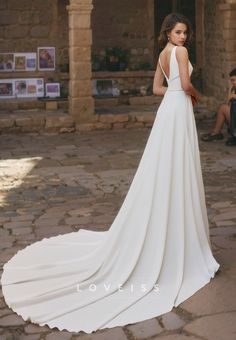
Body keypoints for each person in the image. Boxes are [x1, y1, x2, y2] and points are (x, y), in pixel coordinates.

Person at [0, 13, 220, 334]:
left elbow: (158, 89)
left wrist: (176, 93)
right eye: (178, 32)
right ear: (168, 33)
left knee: (163, 164)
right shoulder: (181, 54)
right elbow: (185, 84)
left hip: (167, 111)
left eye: (185, 32)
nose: (183, 37)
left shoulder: (162, 55)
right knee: (177, 163)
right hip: (180, 109)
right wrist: (194, 95)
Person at [201, 68, 236, 145]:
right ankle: (216, 133)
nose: (232, 82)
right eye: (231, 81)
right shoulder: (234, 89)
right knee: (223, 108)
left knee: (223, 108)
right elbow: (228, 103)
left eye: (234, 80)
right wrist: (231, 90)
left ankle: (217, 133)